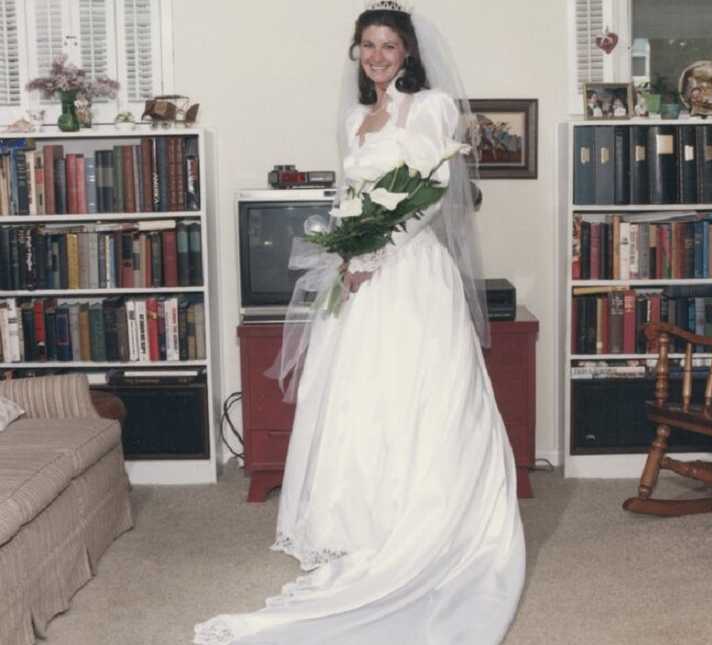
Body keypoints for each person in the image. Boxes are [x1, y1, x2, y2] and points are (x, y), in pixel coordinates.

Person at [194, 3, 525, 644]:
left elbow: (431, 195)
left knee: (420, 400)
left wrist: (376, 252)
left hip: (410, 277)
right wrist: (350, 254)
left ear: (408, 53)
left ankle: (431, 533)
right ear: (357, 52)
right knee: (358, 400)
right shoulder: (353, 117)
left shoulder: (430, 108)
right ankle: (364, 529)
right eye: (368, 45)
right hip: (359, 277)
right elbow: (354, 198)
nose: (377, 56)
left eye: (389, 45)